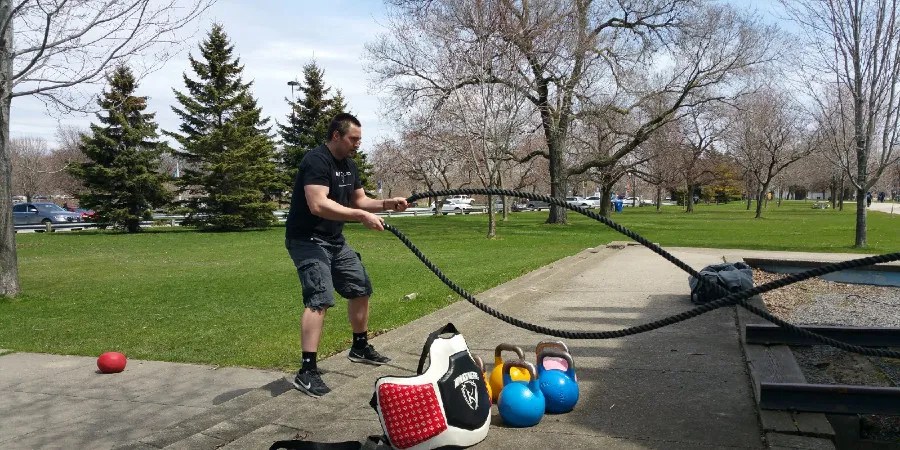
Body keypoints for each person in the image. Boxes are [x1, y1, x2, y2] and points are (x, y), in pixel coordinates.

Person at [284, 113, 408, 398]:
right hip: (307, 240)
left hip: (334, 239)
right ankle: (306, 371)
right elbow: (318, 204)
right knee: (320, 298)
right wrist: (360, 215)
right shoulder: (316, 160)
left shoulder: (349, 165)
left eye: (359, 140)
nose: (357, 145)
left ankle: (360, 347)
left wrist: (387, 203)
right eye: (353, 139)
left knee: (360, 287)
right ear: (336, 136)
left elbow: (360, 200)